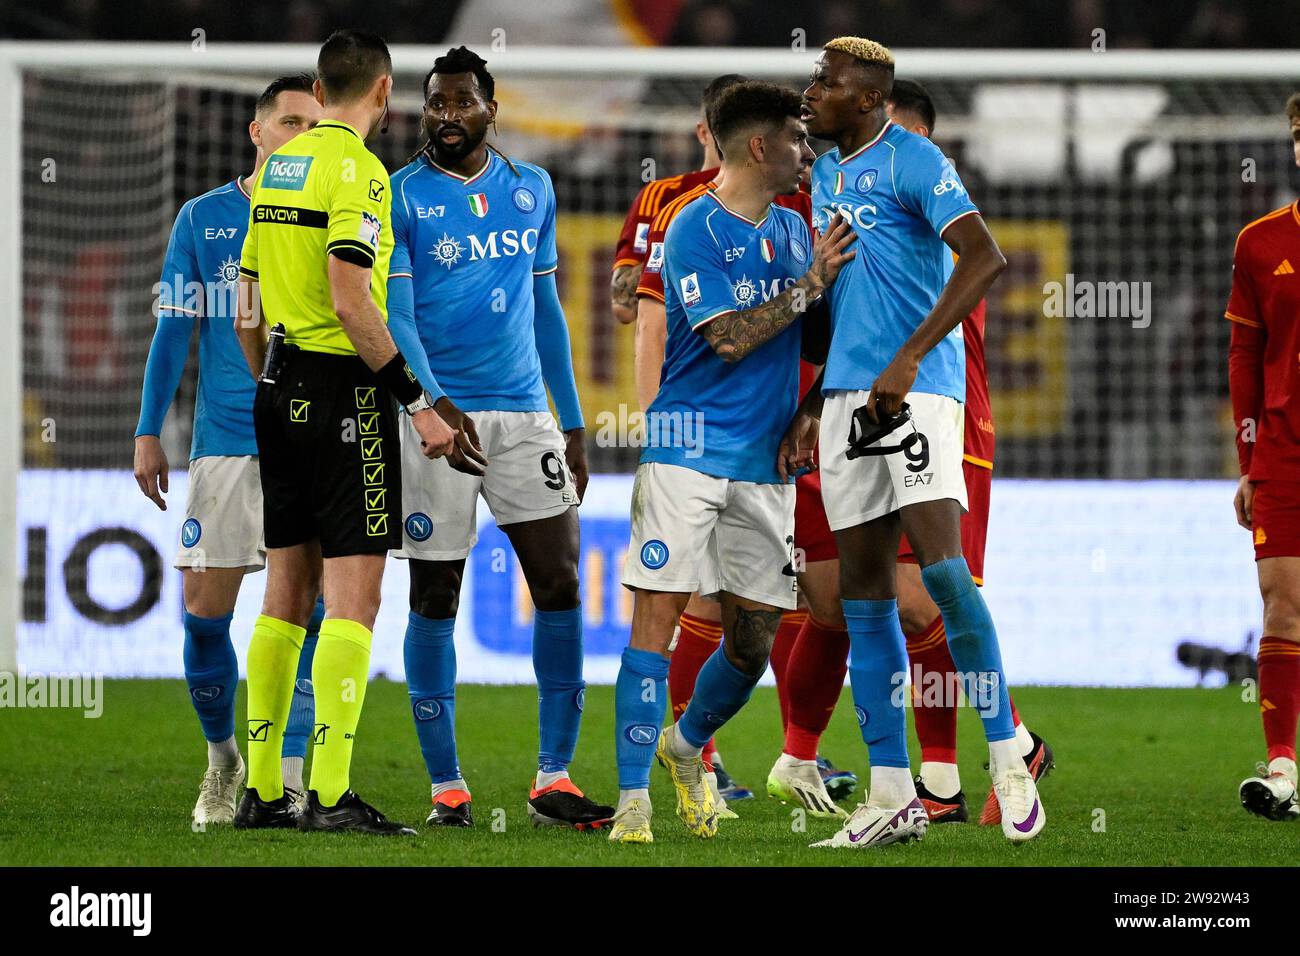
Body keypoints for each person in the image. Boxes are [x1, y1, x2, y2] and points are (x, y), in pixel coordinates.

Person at [768, 78, 1054, 826]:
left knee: (942, 582)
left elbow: (984, 258)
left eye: (826, 82)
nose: (811, 92)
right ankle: (894, 793)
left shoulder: (919, 166)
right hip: (845, 404)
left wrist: (906, 360)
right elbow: (844, 311)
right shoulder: (827, 178)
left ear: (870, 104)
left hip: (923, 398)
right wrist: (812, 399)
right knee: (862, 597)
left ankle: (1009, 755)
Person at [609, 79, 856, 844]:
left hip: (763, 464)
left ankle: (684, 749)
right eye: (796, 137)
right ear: (760, 146)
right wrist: (810, 284)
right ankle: (631, 803)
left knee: (753, 641)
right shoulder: (692, 227)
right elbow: (727, 337)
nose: (808, 151)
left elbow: (818, 343)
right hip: (685, 450)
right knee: (657, 622)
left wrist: (813, 409)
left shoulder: (792, 228)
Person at [232, 29, 463, 836]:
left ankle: (261, 791)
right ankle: (328, 794)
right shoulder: (360, 172)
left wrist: (273, 375)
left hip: (278, 387)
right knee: (354, 601)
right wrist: (416, 403)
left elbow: (248, 304)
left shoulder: (276, 170)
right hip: (345, 396)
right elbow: (352, 299)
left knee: (282, 595)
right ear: (381, 94)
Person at [388, 45, 611, 829]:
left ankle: (554, 778)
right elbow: (397, 316)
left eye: (460, 103)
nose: (445, 116)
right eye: (434, 104)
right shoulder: (400, 197)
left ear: (490, 108)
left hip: (525, 418)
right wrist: (433, 403)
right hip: (437, 420)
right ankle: (447, 787)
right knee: (434, 596)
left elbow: (547, 312)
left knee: (560, 585)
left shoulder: (533, 190)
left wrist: (574, 422)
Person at [133, 73, 325, 825]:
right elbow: (173, 328)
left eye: (314, 125)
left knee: (306, 617)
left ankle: (293, 770)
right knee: (204, 614)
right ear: (256, 132)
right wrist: (150, 428)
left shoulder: (331, 214)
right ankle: (222, 760)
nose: (301, 137)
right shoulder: (205, 218)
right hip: (226, 444)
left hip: (312, 442)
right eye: (288, 122)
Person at [1229, 92, 1300, 822]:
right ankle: (1282, 766)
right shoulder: (1261, 242)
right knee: (1282, 600)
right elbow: (1245, 353)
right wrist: (1247, 458)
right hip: (1283, 449)